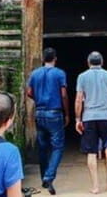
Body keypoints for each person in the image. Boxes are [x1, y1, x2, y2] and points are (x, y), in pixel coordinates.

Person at [75, 51, 107, 194]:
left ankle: (95, 186)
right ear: (101, 62)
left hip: (89, 117)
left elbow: (78, 99)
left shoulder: (82, 77)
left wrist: (78, 118)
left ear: (88, 63)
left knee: (91, 152)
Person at [26, 47, 69, 195]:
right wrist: (67, 113)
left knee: (43, 147)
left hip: (39, 112)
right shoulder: (59, 73)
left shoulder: (35, 73)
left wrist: (38, 100)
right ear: (55, 59)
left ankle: (44, 177)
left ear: (43, 59)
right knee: (58, 147)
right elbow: (63, 95)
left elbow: (29, 92)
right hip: (54, 113)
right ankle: (49, 176)